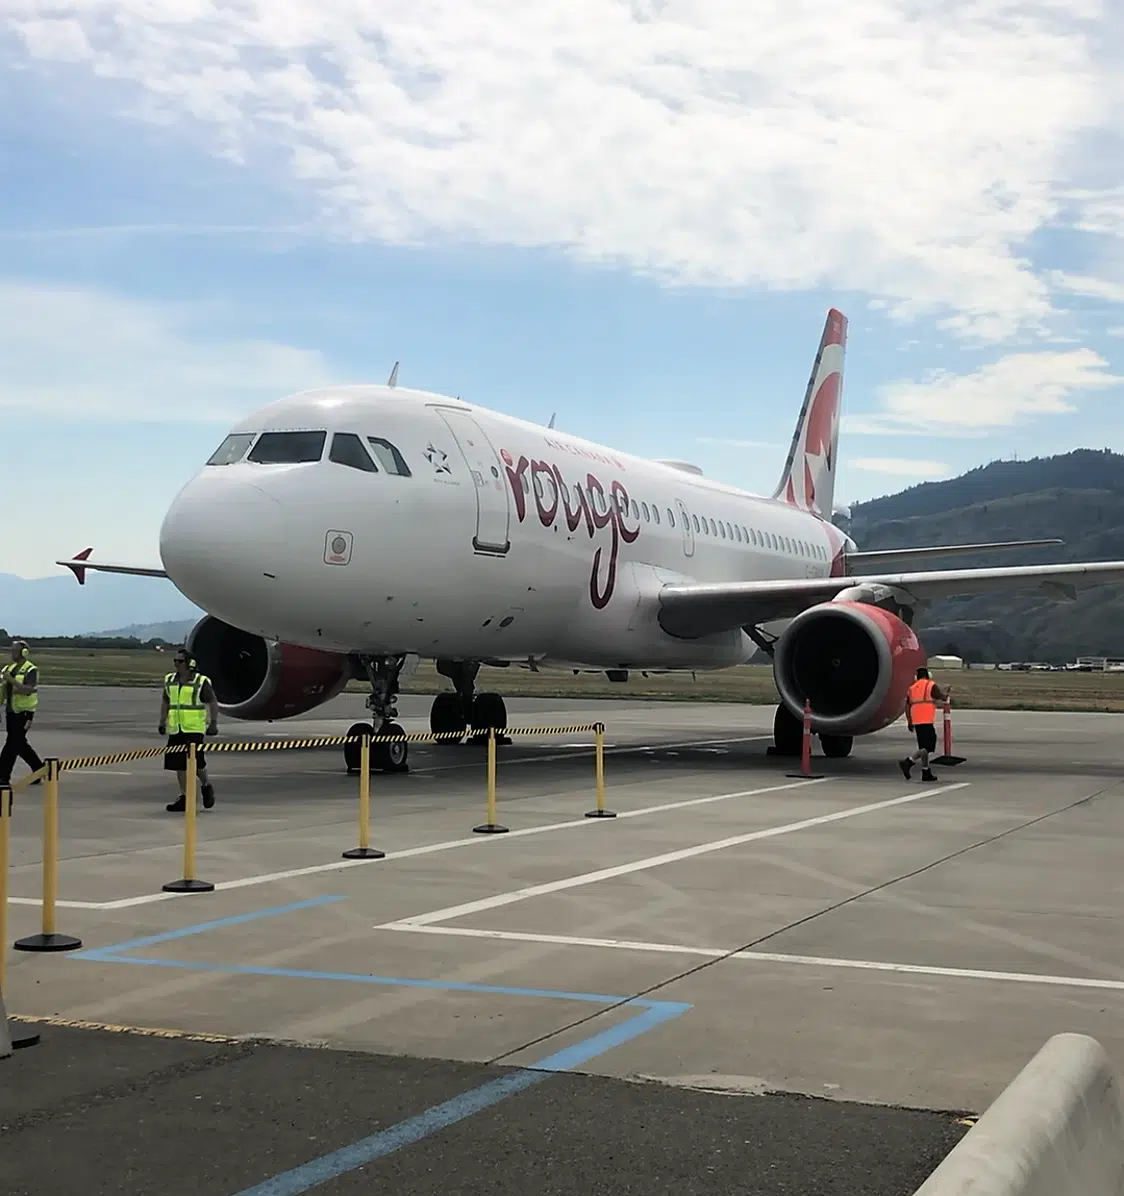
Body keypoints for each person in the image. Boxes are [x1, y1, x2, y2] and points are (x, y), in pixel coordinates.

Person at [158, 648, 218, 813]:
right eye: (175, 661)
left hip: (193, 729)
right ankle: (185, 796)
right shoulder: (170, 680)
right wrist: (162, 721)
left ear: (190, 664)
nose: (176, 664)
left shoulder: (200, 682)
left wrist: (213, 723)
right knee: (179, 764)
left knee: (197, 763)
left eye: (180, 661)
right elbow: (166, 701)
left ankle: (206, 785)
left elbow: (212, 702)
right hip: (176, 728)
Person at [0, 640, 45, 789]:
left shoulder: (30, 669)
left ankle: (3, 777)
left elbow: (29, 689)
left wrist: (12, 681)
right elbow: (4, 690)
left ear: (23, 652)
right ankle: (39, 770)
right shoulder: (9, 668)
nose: (12, 653)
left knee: (12, 744)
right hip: (11, 711)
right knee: (19, 743)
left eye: (15, 650)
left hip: (24, 713)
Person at [899, 667, 950, 783]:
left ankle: (925, 771)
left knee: (923, 748)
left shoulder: (912, 688)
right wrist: (946, 693)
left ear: (916, 677)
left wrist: (909, 721)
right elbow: (941, 697)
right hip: (926, 720)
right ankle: (908, 762)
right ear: (928, 675)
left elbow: (907, 706)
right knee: (929, 746)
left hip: (916, 720)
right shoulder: (930, 685)